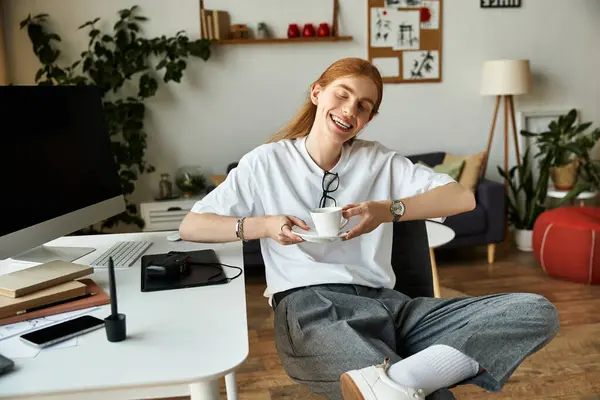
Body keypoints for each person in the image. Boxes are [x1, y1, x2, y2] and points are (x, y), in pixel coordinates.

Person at [179, 57, 559, 400]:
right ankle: (404, 381)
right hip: (313, 308)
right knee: (426, 397)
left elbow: (462, 198)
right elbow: (193, 226)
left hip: (391, 307)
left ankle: (402, 378)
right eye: (341, 95)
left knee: (534, 311)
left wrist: (388, 209)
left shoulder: (379, 161)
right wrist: (263, 224)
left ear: (370, 118)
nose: (349, 110)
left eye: (363, 106)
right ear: (317, 93)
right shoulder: (266, 162)